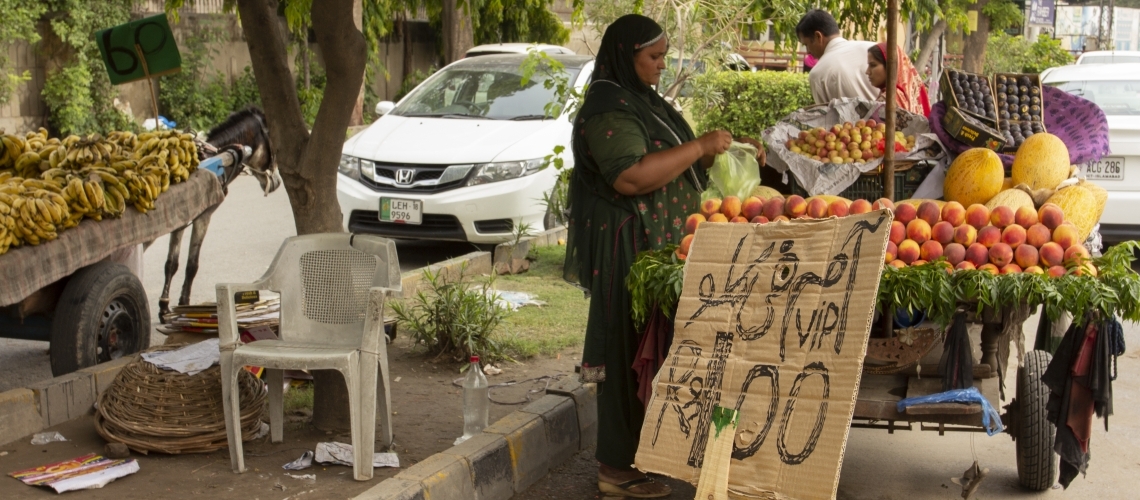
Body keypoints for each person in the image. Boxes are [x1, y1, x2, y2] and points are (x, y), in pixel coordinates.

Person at [563, 13, 759, 499]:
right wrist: (698, 146)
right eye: (654, 56)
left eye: (664, 56)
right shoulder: (607, 107)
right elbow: (630, 176)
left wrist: (711, 154)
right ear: (626, 56)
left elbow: (667, 161)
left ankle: (644, 455)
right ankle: (615, 468)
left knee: (649, 348)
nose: (662, 65)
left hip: (653, 245)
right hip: (626, 246)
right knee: (625, 348)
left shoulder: (640, 99)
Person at [796, 9, 878, 104]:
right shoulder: (873, 48)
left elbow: (824, 112)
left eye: (806, 44)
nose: (808, 51)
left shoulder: (817, 74)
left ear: (818, 36)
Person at [866, 42, 931, 116]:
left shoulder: (889, 98)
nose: (867, 72)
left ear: (889, 66)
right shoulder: (906, 94)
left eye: (873, 65)